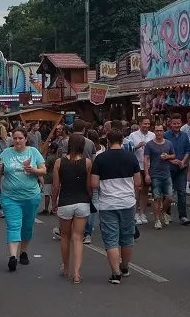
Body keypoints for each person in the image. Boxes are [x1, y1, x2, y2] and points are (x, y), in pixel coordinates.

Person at [91, 128, 141, 284]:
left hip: (108, 204)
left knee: (111, 239)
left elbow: (94, 183)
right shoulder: (131, 157)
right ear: (122, 140)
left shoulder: (100, 158)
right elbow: (138, 182)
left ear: (108, 141)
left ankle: (115, 273)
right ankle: (124, 267)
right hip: (128, 202)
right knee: (127, 237)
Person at [0, 128, 46, 271]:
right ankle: (12, 256)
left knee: (27, 225)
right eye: (15, 138)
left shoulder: (33, 152)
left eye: (20, 138)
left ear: (25, 139)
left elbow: (43, 170)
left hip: (31, 196)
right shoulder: (6, 153)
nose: (17, 141)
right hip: (10, 196)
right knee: (13, 225)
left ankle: (23, 252)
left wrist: (33, 170)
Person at [52, 133, 92, 284]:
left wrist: (54, 202)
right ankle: (77, 273)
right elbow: (88, 185)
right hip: (82, 201)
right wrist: (90, 198)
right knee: (78, 237)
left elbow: (56, 186)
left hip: (65, 201)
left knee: (65, 236)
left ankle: (66, 267)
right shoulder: (87, 162)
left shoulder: (59, 162)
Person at [143, 122, 176, 229]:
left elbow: (173, 155)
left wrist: (168, 156)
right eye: (157, 131)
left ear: (163, 132)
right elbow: (146, 159)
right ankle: (157, 220)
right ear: (154, 132)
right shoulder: (149, 144)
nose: (159, 133)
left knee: (169, 197)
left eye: (161, 131)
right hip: (155, 174)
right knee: (156, 198)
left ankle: (163, 211)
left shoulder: (168, 143)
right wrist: (147, 174)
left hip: (166, 173)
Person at [124, 116, 155, 225]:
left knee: (146, 190)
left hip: (149, 166)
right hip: (137, 165)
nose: (146, 126)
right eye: (145, 123)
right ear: (140, 123)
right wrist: (138, 146)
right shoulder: (133, 135)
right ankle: (135, 213)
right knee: (138, 189)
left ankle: (142, 213)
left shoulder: (152, 135)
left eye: (148, 124)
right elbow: (129, 150)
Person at [165, 115, 190, 226]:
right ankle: (166, 213)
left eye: (178, 123)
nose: (176, 125)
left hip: (182, 168)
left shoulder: (184, 136)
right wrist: (172, 160)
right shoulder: (166, 135)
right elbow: (163, 152)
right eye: (174, 123)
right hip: (169, 168)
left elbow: (188, 151)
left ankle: (183, 216)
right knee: (168, 193)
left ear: (181, 123)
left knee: (181, 191)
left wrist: (183, 161)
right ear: (170, 124)